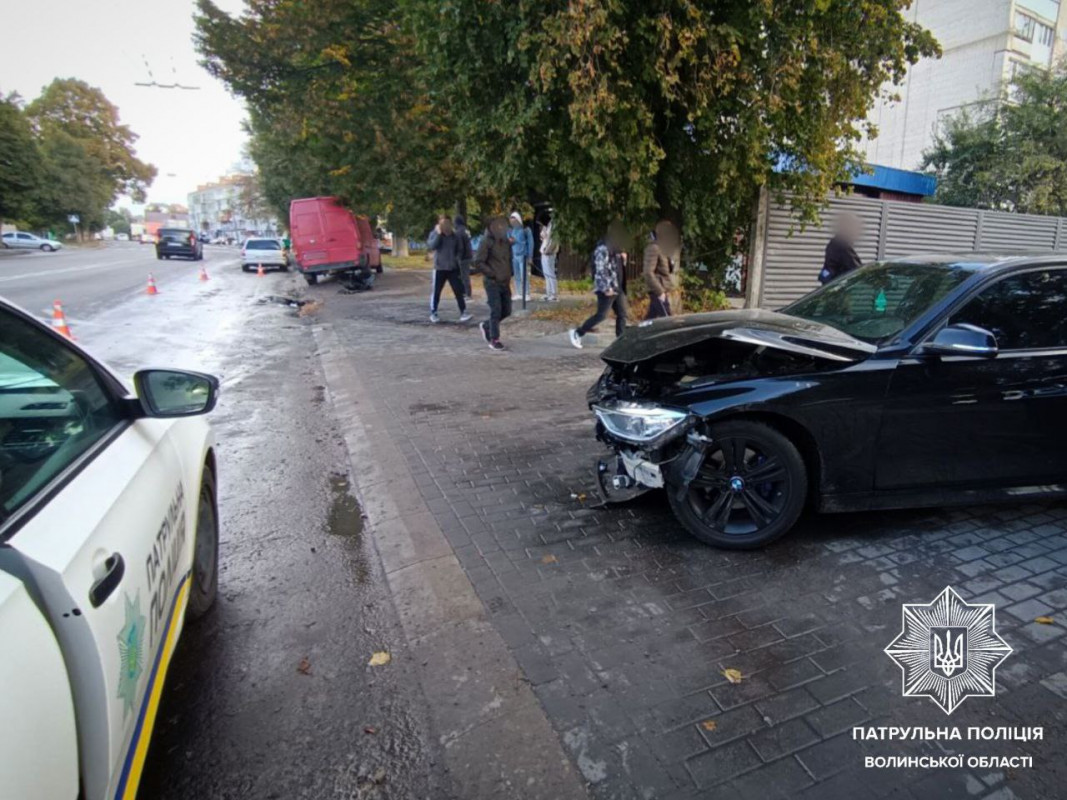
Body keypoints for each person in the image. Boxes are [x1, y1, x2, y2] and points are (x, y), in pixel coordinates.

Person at [569, 222, 629, 348]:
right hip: (607, 288)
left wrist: (623, 260)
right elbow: (601, 270)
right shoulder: (603, 249)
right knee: (601, 315)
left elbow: (616, 269)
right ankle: (577, 333)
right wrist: (607, 288)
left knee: (622, 314)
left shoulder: (615, 249)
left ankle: (620, 341)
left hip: (617, 287)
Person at [472, 216, 513, 351]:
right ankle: (494, 339)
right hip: (492, 282)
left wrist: (510, 272)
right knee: (496, 311)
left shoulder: (505, 241)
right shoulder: (486, 241)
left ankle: (487, 326)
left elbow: (507, 258)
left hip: (505, 281)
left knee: (506, 310)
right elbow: (478, 262)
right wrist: (492, 273)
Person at [427, 216, 472, 324]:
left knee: (458, 290)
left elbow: (460, 249)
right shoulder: (435, 234)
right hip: (439, 268)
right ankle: (433, 312)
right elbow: (432, 245)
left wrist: (457, 259)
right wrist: (438, 234)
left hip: (452, 268)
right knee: (437, 291)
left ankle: (463, 311)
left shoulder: (455, 235)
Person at [643, 219, 680, 319]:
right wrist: (659, 292)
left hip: (662, 288)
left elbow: (667, 269)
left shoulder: (662, 248)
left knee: (651, 318)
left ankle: (637, 334)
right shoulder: (653, 248)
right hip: (658, 290)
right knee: (667, 319)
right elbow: (648, 272)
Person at [819, 213, 863, 285]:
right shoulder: (843, 245)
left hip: (830, 286)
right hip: (838, 288)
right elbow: (857, 268)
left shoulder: (833, 242)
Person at [506, 211, 534, 302]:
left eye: (513, 219)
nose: (512, 222)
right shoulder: (511, 230)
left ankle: (527, 293)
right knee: (517, 275)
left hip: (523, 256)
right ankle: (518, 293)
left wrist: (530, 256)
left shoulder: (526, 230)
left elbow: (531, 243)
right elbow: (509, 242)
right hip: (514, 256)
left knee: (524, 275)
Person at [540, 215, 560, 301]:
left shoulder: (554, 226)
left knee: (550, 273)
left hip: (549, 252)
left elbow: (553, 240)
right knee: (546, 273)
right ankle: (548, 293)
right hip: (544, 250)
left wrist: (548, 250)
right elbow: (545, 237)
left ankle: (553, 293)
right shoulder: (548, 225)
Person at [454, 214, 474, 299]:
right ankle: (466, 292)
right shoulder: (466, 230)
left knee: (464, 276)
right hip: (469, 254)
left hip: (463, 257)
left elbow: (460, 246)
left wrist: (459, 257)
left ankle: (467, 293)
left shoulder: (458, 232)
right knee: (465, 275)